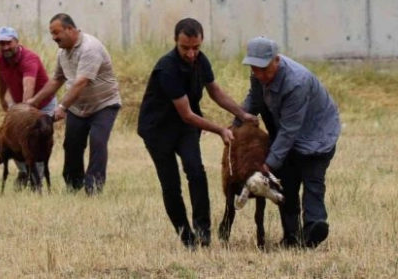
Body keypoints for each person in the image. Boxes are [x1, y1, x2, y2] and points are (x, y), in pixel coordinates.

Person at [137, 18, 258, 249]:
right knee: (171, 183)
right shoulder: (167, 68)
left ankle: (203, 232)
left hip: (184, 129)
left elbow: (215, 92)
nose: (192, 54)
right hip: (158, 130)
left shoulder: (201, 61)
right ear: (175, 42)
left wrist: (242, 114)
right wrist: (220, 129)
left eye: (196, 47)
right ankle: (186, 237)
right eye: (186, 48)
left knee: (196, 172)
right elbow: (187, 114)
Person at [236, 36, 341, 249]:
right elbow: (253, 101)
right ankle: (291, 236)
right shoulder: (258, 74)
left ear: (277, 60)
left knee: (313, 181)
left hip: (317, 136)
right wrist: (235, 126)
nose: (259, 74)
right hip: (288, 134)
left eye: (264, 69)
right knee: (286, 184)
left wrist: (268, 164)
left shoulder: (296, 82)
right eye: (255, 68)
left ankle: (314, 229)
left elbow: (289, 131)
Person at [26, 14, 121, 195]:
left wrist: (62, 107)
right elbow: (57, 79)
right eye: (51, 34)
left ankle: (93, 187)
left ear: (70, 29)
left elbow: (80, 82)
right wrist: (33, 102)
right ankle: (73, 184)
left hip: (104, 105)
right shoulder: (63, 52)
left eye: (56, 33)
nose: (54, 37)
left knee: (97, 141)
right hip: (78, 107)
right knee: (72, 145)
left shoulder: (90, 48)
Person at [0, 26, 56, 188]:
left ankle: (37, 183)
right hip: (20, 104)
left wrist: (21, 115)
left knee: (38, 143)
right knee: (11, 139)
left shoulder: (29, 59)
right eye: (2, 43)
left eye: (9, 43)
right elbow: (2, 78)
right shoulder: (0, 59)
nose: (5, 47)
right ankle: (24, 172)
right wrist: (2, 98)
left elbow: (28, 87)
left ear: (17, 42)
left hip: (42, 105)